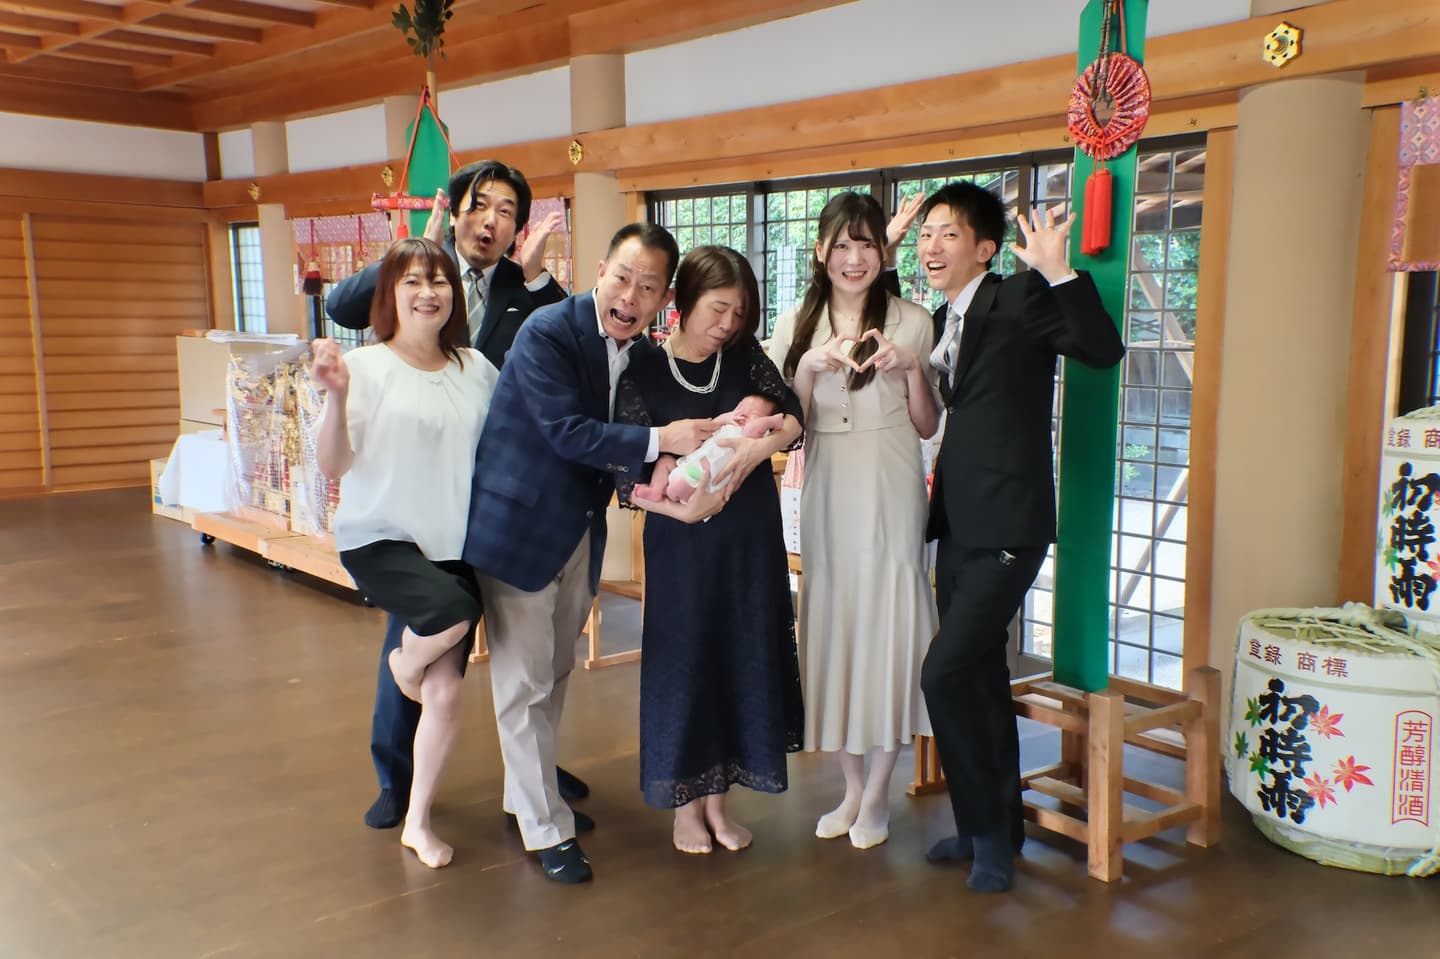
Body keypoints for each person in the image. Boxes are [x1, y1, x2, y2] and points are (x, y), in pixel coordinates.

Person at [324, 160, 586, 832]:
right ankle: (396, 775)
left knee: (517, 651)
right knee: (421, 635)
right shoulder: (422, 276)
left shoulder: (521, 292)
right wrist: (416, 248)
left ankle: (530, 775)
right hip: (408, 513)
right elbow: (347, 305)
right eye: (480, 204)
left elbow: (559, 351)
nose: (490, 220)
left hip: (484, 503)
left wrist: (534, 278)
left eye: (506, 210)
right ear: (459, 211)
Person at [462, 224, 724, 883]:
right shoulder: (548, 332)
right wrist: (661, 437)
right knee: (521, 681)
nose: (631, 296)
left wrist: (671, 487)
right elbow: (568, 432)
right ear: (600, 271)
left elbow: (623, 458)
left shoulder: (637, 355)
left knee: (554, 668)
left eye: (648, 287)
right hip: (518, 527)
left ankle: (528, 784)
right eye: (623, 278)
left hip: (578, 528)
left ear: (663, 299)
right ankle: (543, 826)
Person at [914, 181, 1124, 893]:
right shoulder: (945, 315)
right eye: (926, 234)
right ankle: (996, 830)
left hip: (1012, 524)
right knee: (977, 677)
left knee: (941, 672)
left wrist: (1059, 272)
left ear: (985, 248)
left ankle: (987, 832)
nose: (931, 245)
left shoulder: (1020, 297)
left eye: (948, 233)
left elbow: (1101, 349)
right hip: (959, 523)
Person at [313, 237, 497, 869]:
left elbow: (506, 449)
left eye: (440, 280)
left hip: (453, 547)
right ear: (390, 293)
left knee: (445, 697)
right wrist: (335, 395)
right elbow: (334, 462)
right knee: (452, 613)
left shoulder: (476, 368)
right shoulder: (365, 367)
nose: (428, 292)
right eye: (413, 281)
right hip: (380, 537)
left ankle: (417, 821)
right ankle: (404, 666)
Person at [616, 245, 805, 855]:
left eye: (739, 312)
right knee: (686, 663)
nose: (727, 323)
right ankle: (683, 809)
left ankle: (719, 803)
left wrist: (752, 453)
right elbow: (625, 475)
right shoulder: (641, 367)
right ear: (682, 302)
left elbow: (796, 415)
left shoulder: (746, 358)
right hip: (681, 544)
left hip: (749, 538)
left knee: (741, 656)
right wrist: (684, 506)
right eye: (718, 309)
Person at [767, 192, 940, 851]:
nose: (853, 257)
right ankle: (848, 787)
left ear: (883, 251)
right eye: (841, 244)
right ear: (820, 251)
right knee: (833, 621)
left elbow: (928, 424)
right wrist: (807, 369)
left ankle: (877, 797)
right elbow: (787, 427)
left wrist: (910, 366)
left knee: (891, 624)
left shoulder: (913, 321)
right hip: (827, 479)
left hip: (893, 476)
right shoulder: (794, 325)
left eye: (866, 243)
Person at [633, 393, 784, 504]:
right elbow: (712, 426)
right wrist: (727, 417)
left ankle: (668, 492)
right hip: (688, 466)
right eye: (741, 409)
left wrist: (772, 421)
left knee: (677, 487)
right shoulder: (728, 426)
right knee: (665, 462)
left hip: (701, 481)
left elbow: (753, 428)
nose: (743, 416)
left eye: (753, 414)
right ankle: (656, 490)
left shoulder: (751, 436)